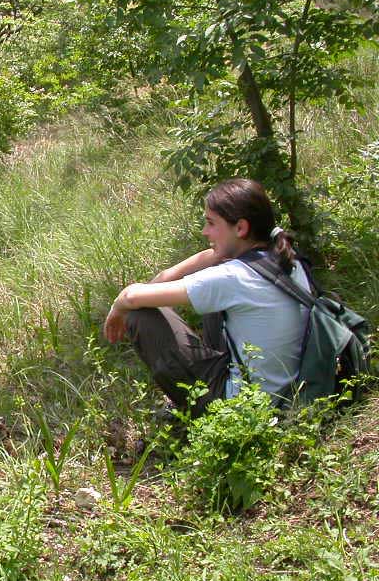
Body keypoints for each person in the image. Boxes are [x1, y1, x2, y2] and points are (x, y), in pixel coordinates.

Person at [103, 177, 311, 418]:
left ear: (241, 228)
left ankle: (194, 409)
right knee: (209, 305)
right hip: (287, 389)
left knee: (140, 315)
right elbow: (187, 269)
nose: (205, 231)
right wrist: (205, 258)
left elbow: (132, 296)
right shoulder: (286, 258)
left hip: (243, 408)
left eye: (211, 223)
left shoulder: (233, 278)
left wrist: (118, 309)